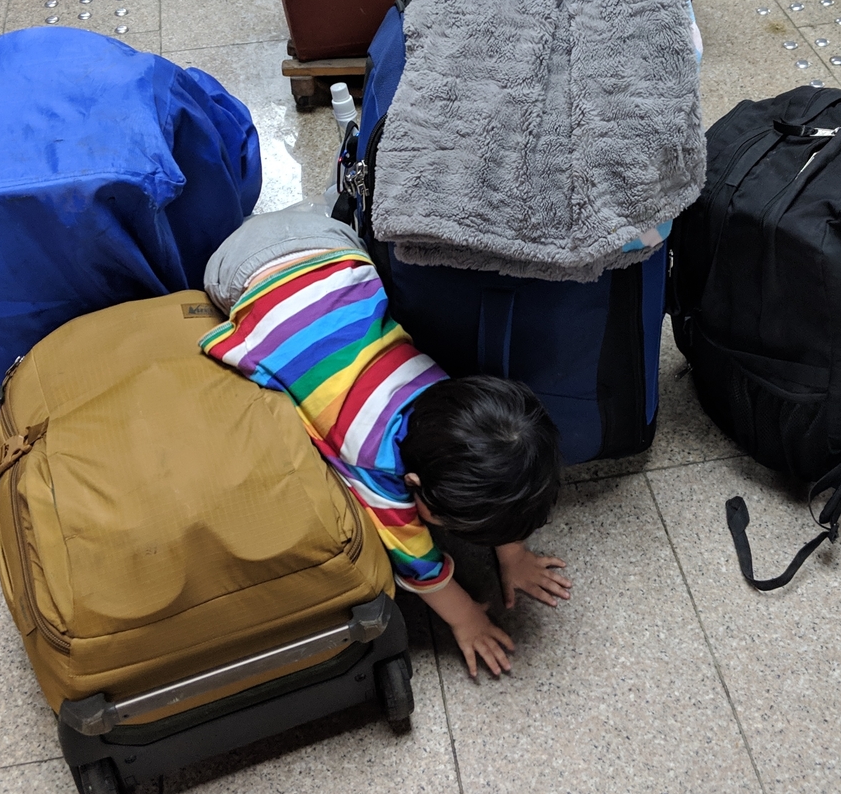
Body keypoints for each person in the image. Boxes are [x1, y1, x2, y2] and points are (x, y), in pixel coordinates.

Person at [201, 210, 570, 678]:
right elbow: (421, 568)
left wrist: (513, 553)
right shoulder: (376, 466)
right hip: (238, 274)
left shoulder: (447, 397)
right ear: (411, 482)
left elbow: (500, 463)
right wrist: (468, 619)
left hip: (327, 243)